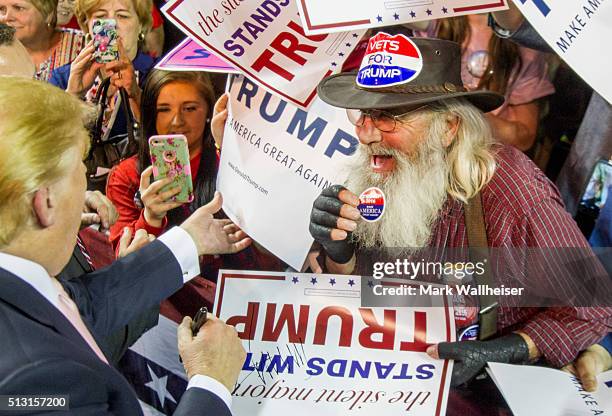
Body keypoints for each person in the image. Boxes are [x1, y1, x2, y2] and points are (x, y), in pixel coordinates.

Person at [310, 34, 611, 404]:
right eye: (363, 114)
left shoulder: (509, 188)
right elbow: (343, 300)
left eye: (390, 117)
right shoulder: (371, 177)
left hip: (478, 396)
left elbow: (592, 305)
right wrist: (338, 254)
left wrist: (507, 350)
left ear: (449, 126)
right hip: (383, 385)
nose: (367, 133)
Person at [0, 75, 250, 414]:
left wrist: (190, 239)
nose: (88, 192)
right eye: (80, 173)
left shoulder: (19, 290)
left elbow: (85, 305)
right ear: (46, 203)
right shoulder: (36, 380)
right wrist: (210, 382)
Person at [407, 14, 554, 152]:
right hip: (425, 148)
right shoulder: (434, 19)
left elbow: (524, 136)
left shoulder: (525, 45)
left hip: (480, 156)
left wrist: (471, 115)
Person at [50, 0, 156, 132]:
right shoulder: (62, 78)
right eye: (100, 16)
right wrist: (74, 95)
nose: (111, 25)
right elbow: (45, 142)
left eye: (122, 16)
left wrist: (136, 95)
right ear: (86, 25)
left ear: (140, 25)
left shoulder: (159, 75)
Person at [0, 0, 84, 81]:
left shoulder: (84, 45)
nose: (6, 17)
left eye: (18, 8)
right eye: (1, 9)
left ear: (48, 13)